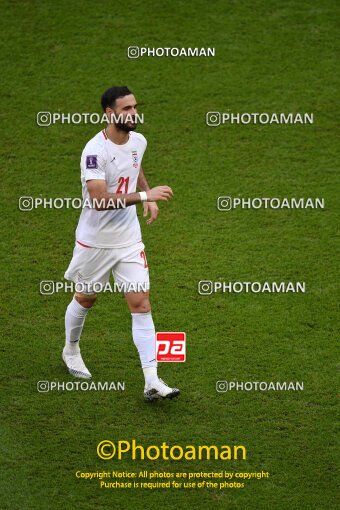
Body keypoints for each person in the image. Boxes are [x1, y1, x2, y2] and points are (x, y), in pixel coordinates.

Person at [63, 86, 180, 401]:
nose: (133, 113)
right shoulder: (93, 151)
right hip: (95, 243)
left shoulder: (139, 140)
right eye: (126, 109)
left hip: (129, 238)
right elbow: (100, 200)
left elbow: (135, 163)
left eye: (135, 107)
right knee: (87, 299)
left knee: (141, 303)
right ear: (109, 113)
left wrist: (147, 191)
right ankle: (71, 350)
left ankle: (152, 381)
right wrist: (145, 195)